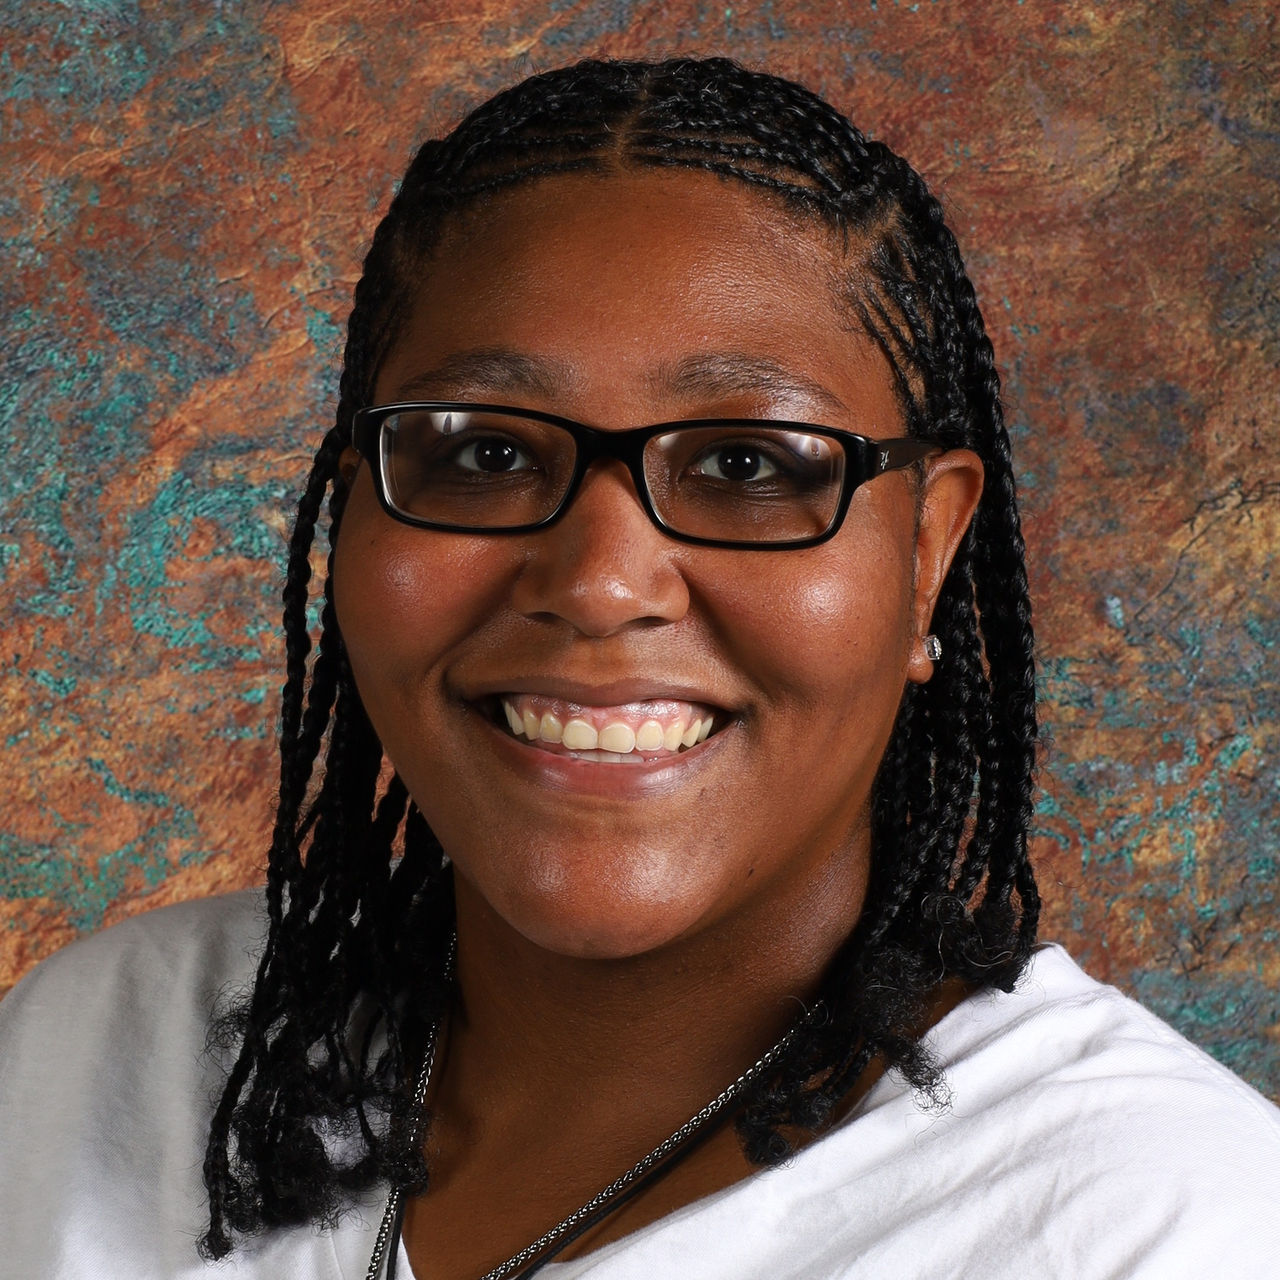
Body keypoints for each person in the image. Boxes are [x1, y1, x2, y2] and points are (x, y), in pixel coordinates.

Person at [1, 56, 1277, 1280]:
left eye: (744, 464)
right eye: (485, 454)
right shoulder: (95, 1053)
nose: (601, 582)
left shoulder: (1159, 1219)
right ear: (354, 519)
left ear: (926, 554)